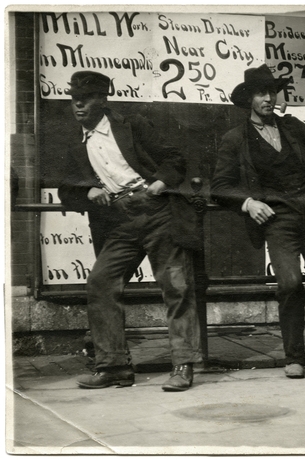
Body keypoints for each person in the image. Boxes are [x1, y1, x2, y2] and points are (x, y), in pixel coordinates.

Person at [58, 71, 202, 391]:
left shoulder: (132, 125)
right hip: (120, 222)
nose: (79, 104)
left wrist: (160, 183)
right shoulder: (76, 143)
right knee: (100, 282)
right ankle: (113, 367)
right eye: (74, 99)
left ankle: (183, 365)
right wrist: (88, 193)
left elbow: (174, 158)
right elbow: (66, 189)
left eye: (87, 98)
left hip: (158, 212)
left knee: (175, 285)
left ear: (103, 99)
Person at [211, 64, 305, 381]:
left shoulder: (293, 127)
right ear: (249, 99)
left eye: (272, 92)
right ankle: (295, 356)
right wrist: (248, 202)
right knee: (288, 283)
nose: (268, 98)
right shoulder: (236, 139)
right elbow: (219, 186)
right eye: (261, 93)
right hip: (278, 217)